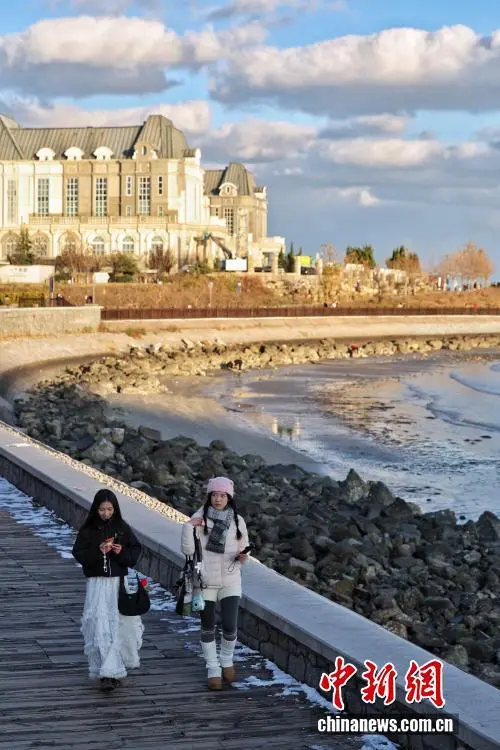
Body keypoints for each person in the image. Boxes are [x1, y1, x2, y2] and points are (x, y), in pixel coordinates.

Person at [181, 476, 250, 690]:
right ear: (209, 496)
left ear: (229, 498)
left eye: (222, 495)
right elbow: (187, 551)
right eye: (214, 495)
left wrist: (243, 557)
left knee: (230, 625)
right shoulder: (199, 519)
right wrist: (188, 527)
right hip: (205, 582)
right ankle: (212, 668)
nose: (218, 499)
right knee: (208, 626)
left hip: (231, 580)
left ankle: (226, 660)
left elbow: (244, 547)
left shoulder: (238, 521)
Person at [72, 488, 143, 691]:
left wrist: (121, 552)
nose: (106, 513)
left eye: (109, 509)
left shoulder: (122, 527)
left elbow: (135, 551)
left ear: (115, 509)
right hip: (98, 583)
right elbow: (79, 553)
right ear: (96, 509)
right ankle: (106, 670)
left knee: (119, 625)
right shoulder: (88, 530)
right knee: (99, 624)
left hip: (118, 583)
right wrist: (98, 551)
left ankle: (112, 669)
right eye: (102, 509)